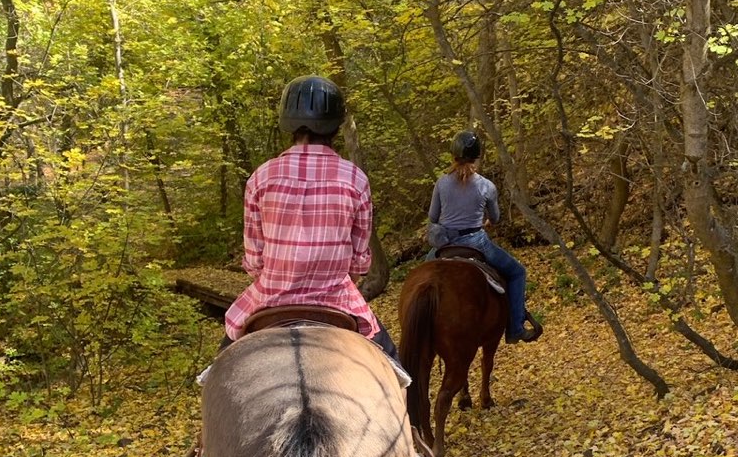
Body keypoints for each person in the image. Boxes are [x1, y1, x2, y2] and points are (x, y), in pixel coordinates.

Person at [222, 74, 400, 359]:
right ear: (335, 125)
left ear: (287, 121)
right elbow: (360, 261)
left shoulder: (261, 177)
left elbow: (254, 261)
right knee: (393, 366)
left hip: (270, 299)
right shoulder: (355, 178)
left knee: (220, 369)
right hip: (337, 301)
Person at [427, 130, 543, 344]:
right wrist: (484, 219)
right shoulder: (486, 186)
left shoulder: (442, 183)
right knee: (517, 272)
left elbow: (433, 217)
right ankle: (516, 327)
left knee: (420, 277)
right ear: (477, 157)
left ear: (453, 156)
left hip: (445, 244)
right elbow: (496, 218)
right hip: (476, 243)